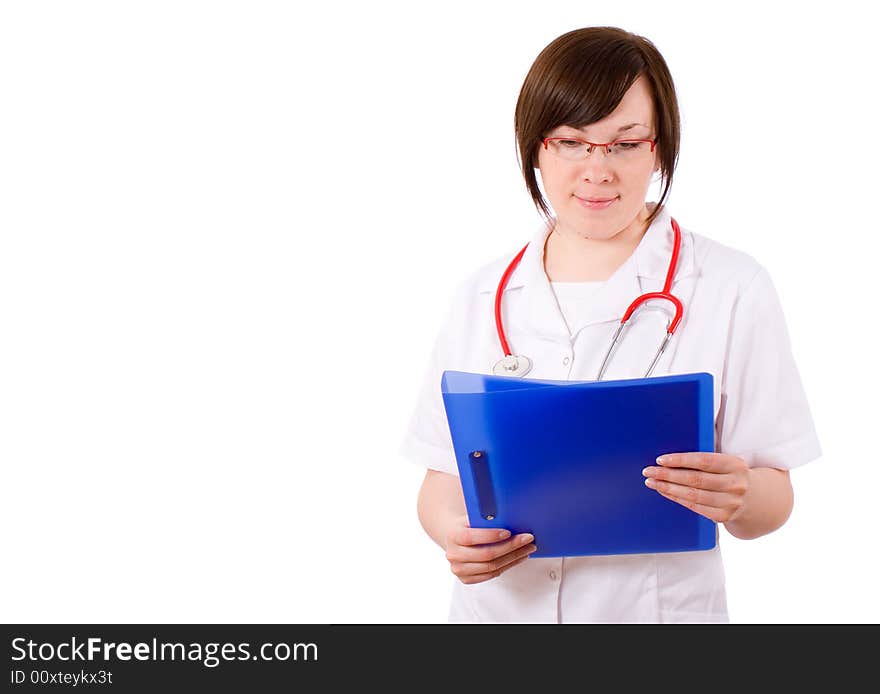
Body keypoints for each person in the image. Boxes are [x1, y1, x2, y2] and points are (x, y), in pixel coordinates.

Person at [399, 26, 821, 623]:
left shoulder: (732, 287)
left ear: (660, 148)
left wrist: (743, 495)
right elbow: (441, 482)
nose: (597, 171)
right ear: (536, 148)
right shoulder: (481, 295)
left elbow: (773, 499)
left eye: (625, 143)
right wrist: (454, 536)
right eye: (571, 142)